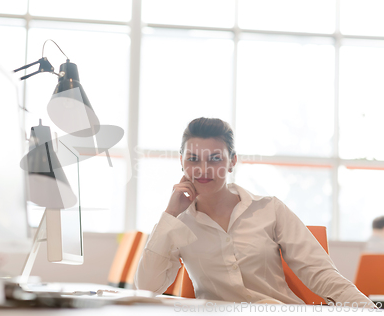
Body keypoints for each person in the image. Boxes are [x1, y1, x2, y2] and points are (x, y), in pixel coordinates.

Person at [135, 117, 373, 306]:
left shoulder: (269, 209)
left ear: (232, 162)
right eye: (193, 159)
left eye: (215, 159)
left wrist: (369, 311)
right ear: (181, 161)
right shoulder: (179, 224)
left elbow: (320, 273)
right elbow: (147, 287)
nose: (203, 169)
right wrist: (169, 215)